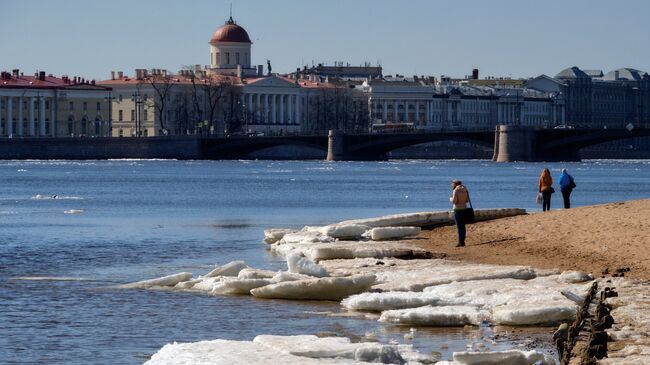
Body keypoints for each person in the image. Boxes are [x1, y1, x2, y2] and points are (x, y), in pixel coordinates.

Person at [450, 179, 470, 247]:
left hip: (457, 209)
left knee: (459, 226)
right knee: (463, 226)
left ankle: (460, 242)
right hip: (464, 208)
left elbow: (454, 201)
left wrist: (450, 199)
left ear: (455, 184)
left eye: (452, 184)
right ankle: (462, 241)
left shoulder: (455, 190)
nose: (451, 185)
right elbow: (467, 200)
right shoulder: (465, 189)